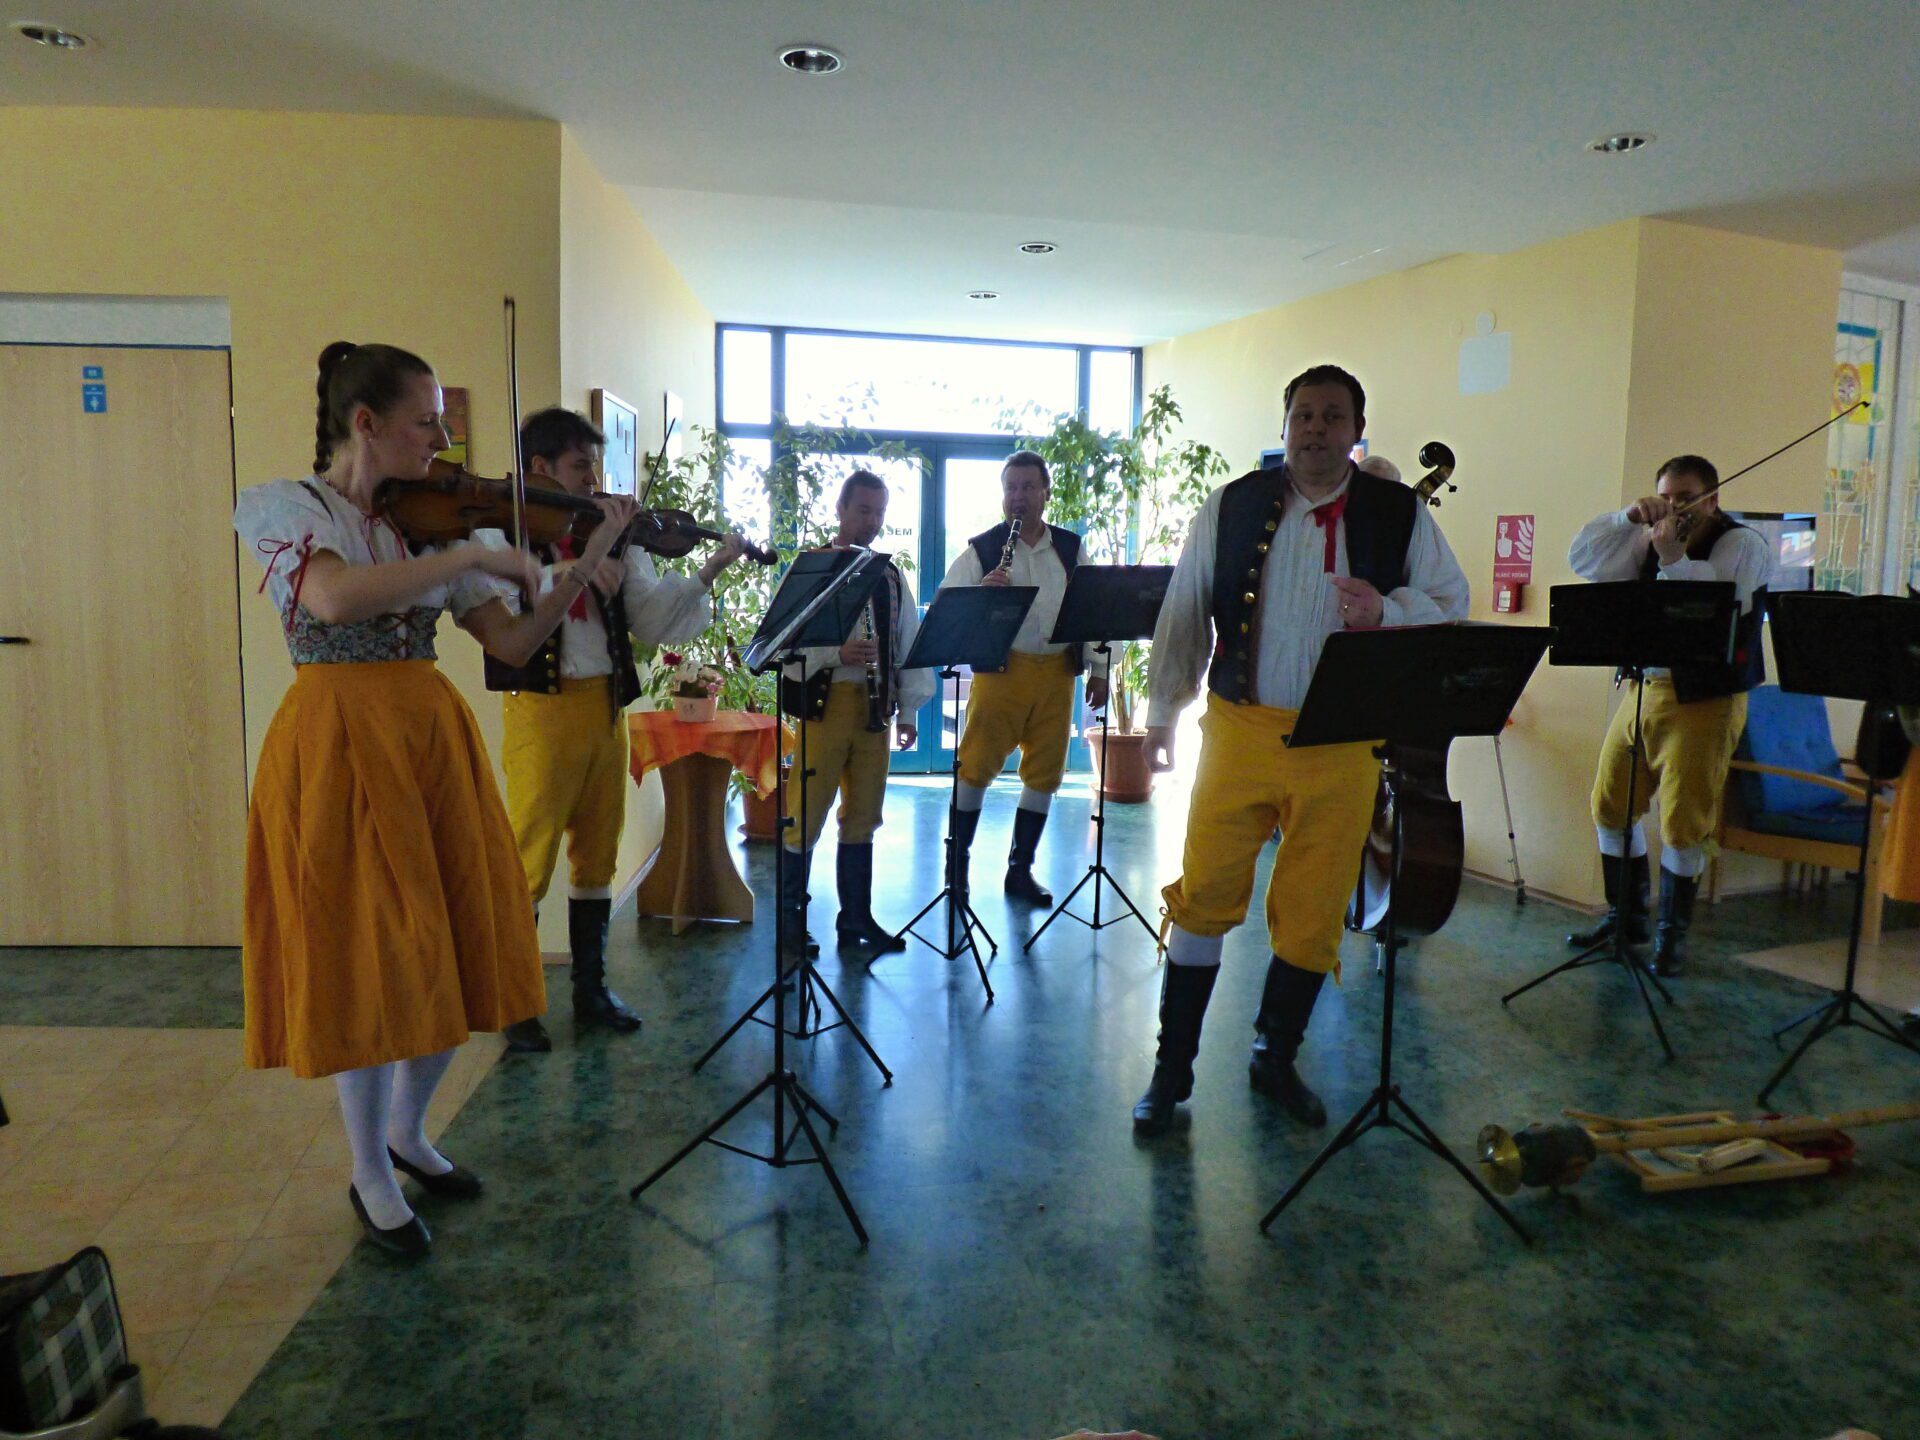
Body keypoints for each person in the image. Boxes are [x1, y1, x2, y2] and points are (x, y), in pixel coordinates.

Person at [235, 342, 635, 1255]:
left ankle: (408, 1134)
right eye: (426, 422)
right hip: (339, 742)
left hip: (428, 740)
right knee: (370, 952)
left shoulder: (427, 527)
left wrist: (581, 561)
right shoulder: (289, 508)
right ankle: (369, 1171)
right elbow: (334, 598)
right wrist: (462, 554)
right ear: (365, 423)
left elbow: (514, 643)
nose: (442, 441)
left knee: (468, 934)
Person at [1134, 364, 1469, 1135]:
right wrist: (1160, 715)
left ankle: (1274, 1057)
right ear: (1285, 426)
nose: (1316, 428)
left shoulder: (1399, 513)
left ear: (1357, 431)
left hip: (1342, 741)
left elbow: (1452, 602)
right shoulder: (1230, 504)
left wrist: (1388, 610)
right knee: (1203, 898)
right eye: (1304, 415)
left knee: (1315, 911)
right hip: (1238, 732)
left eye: (1332, 415)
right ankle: (1170, 1072)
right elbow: (1184, 610)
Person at [480, 407, 748, 1053]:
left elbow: (649, 622)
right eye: (581, 467)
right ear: (540, 467)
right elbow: (501, 610)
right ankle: (514, 1002)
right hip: (541, 709)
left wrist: (709, 570)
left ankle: (591, 989)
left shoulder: (610, 531)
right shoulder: (501, 529)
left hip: (605, 706)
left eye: (594, 467)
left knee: (599, 851)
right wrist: (573, 565)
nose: (593, 480)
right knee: (529, 855)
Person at [1567, 455, 1771, 977]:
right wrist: (1627, 519)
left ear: (1713, 499)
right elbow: (1583, 561)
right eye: (1666, 496)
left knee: (1683, 821)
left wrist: (1674, 558)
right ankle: (1625, 920)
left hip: (1707, 698)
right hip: (1644, 687)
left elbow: (1712, 609)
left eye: (1686, 498)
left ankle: (1670, 939)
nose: (1674, 507)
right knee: (1610, 802)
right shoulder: (1648, 536)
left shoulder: (1743, 545)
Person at [936, 451, 1108, 908]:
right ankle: (957, 871)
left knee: (1046, 772)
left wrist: (1100, 669)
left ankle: (1020, 870)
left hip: (1057, 673)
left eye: (1029, 487)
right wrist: (981, 595)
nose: (1019, 496)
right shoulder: (984, 548)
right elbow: (947, 604)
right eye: (1011, 488)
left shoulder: (1069, 548)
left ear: (1045, 494)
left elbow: (1092, 608)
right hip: (1003, 671)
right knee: (975, 766)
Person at [778, 470, 934, 954]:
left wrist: (908, 712)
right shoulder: (813, 569)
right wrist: (836, 654)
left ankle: (856, 920)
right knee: (805, 813)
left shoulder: (890, 575)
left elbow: (907, 644)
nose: (872, 520)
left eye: (879, 512)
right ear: (841, 509)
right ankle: (789, 923)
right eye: (863, 509)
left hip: (875, 709)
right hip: (825, 709)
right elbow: (785, 642)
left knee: (865, 815)